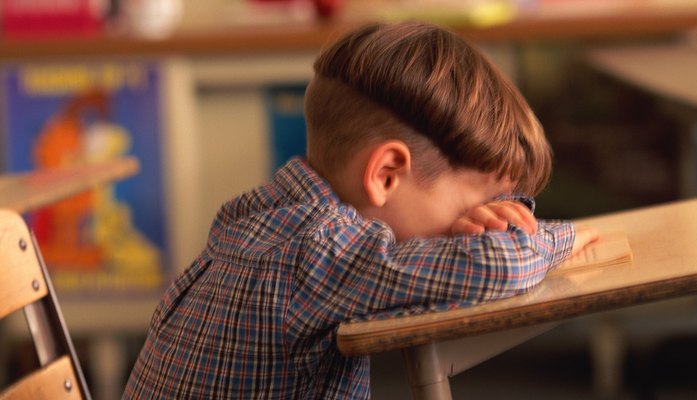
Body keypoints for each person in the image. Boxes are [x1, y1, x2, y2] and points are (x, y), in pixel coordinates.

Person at [123, 21, 598, 399]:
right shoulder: (319, 252)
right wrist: (558, 236)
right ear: (387, 173)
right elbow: (502, 263)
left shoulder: (255, 216)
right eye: (478, 206)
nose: (479, 224)